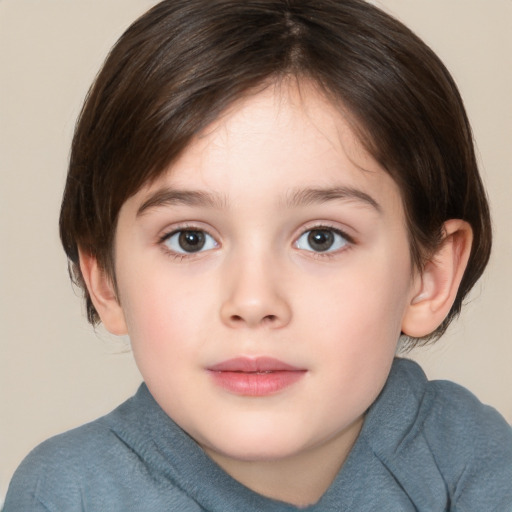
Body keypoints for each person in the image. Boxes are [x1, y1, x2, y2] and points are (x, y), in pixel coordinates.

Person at [4, 0, 512, 510]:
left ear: (429, 273)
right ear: (105, 280)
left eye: (321, 238)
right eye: (190, 239)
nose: (252, 300)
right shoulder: (69, 494)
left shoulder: (474, 464)